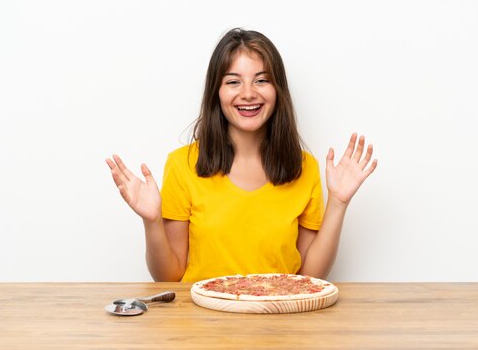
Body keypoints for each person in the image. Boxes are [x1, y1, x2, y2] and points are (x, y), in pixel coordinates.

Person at [106, 28, 377, 282]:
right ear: (217, 92)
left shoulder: (304, 167)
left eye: (261, 80)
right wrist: (151, 222)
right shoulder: (183, 164)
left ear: (277, 91)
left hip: (277, 323)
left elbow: (309, 278)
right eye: (233, 82)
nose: (248, 94)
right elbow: (168, 277)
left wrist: (338, 203)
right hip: (203, 325)